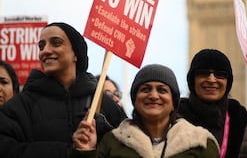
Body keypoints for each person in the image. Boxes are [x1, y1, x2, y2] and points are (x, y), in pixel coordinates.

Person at [0, 22, 126, 157]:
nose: (46, 51)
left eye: (56, 43)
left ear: (76, 54)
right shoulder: (20, 106)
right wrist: (68, 152)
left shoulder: (104, 105)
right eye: (41, 46)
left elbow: (129, 149)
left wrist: (100, 139)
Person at [72, 63, 219, 157]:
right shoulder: (113, 141)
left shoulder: (200, 142)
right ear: (134, 100)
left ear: (174, 102)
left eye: (162, 90)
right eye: (145, 89)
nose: (153, 95)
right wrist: (85, 152)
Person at [178, 48, 247, 158]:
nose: (212, 79)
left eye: (220, 74)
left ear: (228, 82)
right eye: (203, 73)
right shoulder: (175, 116)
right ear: (192, 80)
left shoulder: (240, 119)